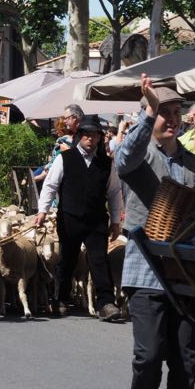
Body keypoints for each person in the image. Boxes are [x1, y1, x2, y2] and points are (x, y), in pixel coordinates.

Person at [115, 75, 195, 389]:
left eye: (176, 111)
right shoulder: (138, 159)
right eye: (164, 112)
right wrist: (148, 110)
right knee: (148, 356)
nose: (172, 118)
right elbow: (123, 155)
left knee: (186, 365)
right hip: (146, 273)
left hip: (189, 279)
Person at [35, 115, 123, 322]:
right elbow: (50, 186)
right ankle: (60, 299)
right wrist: (42, 211)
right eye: (85, 135)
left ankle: (106, 304)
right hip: (70, 217)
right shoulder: (64, 158)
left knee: (99, 260)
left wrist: (117, 222)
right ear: (79, 136)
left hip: (96, 219)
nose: (90, 139)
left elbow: (114, 192)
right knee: (67, 260)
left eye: (93, 135)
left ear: (99, 138)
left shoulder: (107, 164)